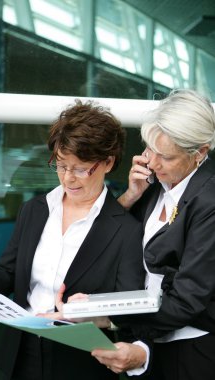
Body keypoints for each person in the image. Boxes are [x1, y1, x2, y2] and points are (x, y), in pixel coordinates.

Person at [0, 100, 146, 380]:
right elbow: (8, 271)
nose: (68, 178)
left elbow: (129, 309)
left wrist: (91, 310)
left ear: (108, 163)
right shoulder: (35, 209)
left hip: (79, 364)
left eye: (80, 168)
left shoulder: (127, 229)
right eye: (60, 166)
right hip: (19, 355)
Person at [91, 89, 215, 380]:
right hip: (151, 338)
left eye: (166, 157)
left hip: (191, 350)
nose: (154, 163)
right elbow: (106, 244)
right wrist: (131, 196)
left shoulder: (209, 203)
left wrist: (113, 320)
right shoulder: (155, 185)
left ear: (200, 153)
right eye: (149, 150)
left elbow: (188, 300)